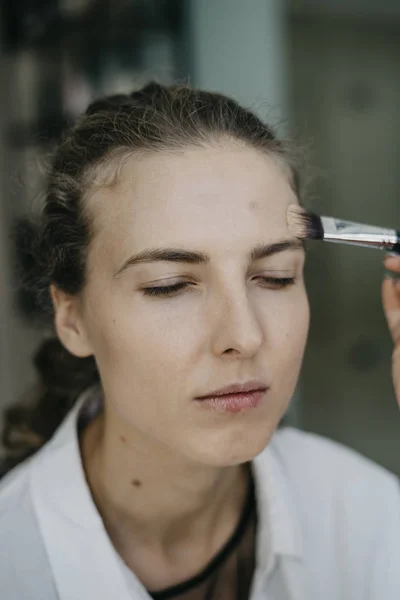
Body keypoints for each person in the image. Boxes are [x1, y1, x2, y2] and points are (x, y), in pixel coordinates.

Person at [0, 82, 400, 600]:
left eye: (275, 277)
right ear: (72, 318)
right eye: (169, 286)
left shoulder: (369, 518)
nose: (245, 336)